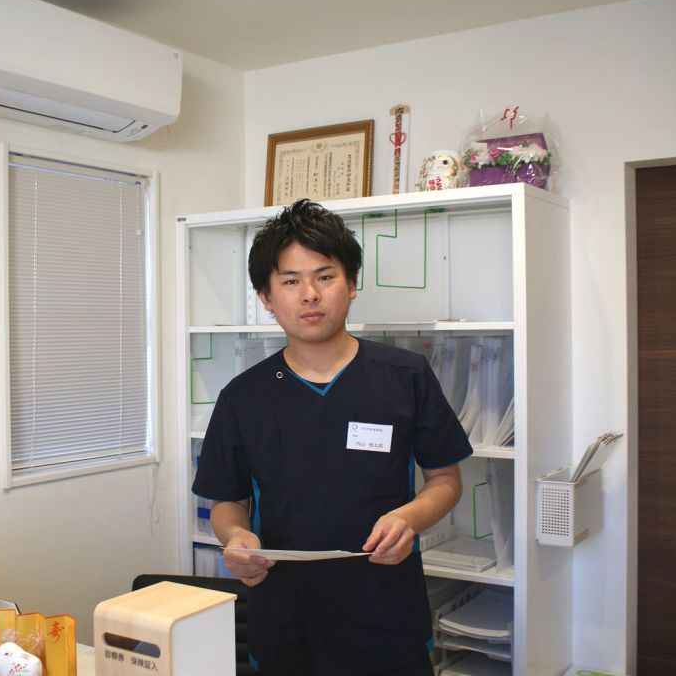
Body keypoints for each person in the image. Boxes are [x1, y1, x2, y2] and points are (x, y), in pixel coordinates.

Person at [192, 198, 472, 676]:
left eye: (325, 276)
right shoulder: (243, 397)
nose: (310, 294)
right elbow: (227, 501)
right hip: (285, 616)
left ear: (351, 284)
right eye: (290, 281)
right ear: (266, 297)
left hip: (386, 613)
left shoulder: (405, 376)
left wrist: (408, 518)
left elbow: (445, 480)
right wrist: (236, 538)